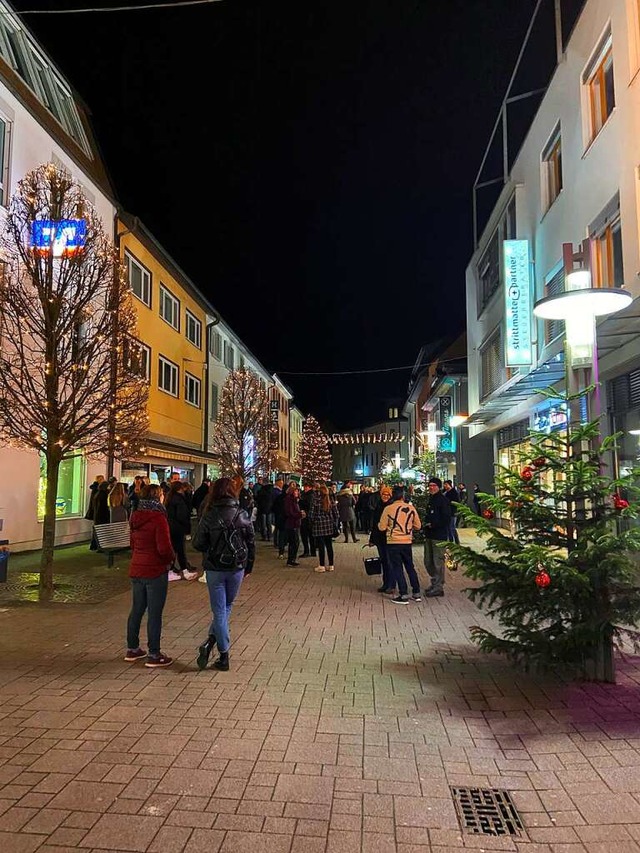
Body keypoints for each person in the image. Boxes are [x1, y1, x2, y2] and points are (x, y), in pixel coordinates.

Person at [192, 477, 255, 672]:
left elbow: (198, 543)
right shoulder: (241, 513)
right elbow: (250, 542)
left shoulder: (209, 515)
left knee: (220, 610)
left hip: (214, 568)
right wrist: (249, 566)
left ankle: (219, 650)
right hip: (236, 567)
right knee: (226, 607)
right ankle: (218, 648)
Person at [124, 483, 175, 668]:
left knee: (137, 609)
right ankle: (154, 653)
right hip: (154, 570)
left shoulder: (135, 516)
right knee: (155, 612)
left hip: (137, 568)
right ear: (157, 497)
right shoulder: (158, 518)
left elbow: (133, 544)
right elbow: (164, 547)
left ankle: (132, 648)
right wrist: (171, 559)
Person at [377, 485, 422, 604]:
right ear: (403, 496)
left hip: (393, 542)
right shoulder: (411, 508)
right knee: (410, 567)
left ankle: (403, 594)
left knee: (397, 568)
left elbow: (381, 527)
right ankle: (416, 592)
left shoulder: (388, 509)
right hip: (407, 541)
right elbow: (418, 526)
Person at [423, 477, 452, 598]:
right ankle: (435, 582)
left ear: (438, 487)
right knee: (428, 561)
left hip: (439, 536)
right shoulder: (432, 499)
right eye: (429, 485)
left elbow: (446, 518)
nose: (431, 487)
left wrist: (433, 524)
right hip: (430, 535)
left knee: (437, 561)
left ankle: (438, 587)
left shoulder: (443, 500)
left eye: (433, 485)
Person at [164, 481, 198, 581]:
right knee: (180, 550)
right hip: (178, 527)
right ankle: (183, 571)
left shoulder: (170, 499)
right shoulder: (179, 500)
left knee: (175, 549)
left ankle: (175, 570)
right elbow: (182, 515)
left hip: (171, 526)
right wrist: (187, 527)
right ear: (180, 489)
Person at [368, 484, 394, 593]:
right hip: (379, 538)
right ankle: (385, 583)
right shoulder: (379, 505)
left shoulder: (391, 507)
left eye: (388, 494)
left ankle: (391, 585)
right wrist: (372, 539)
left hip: (389, 538)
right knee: (384, 561)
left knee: (389, 562)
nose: (385, 496)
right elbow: (375, 523)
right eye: (384, 494)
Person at [309, 483, 339, 573]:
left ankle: (322, 565)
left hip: (318, 526)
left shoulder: (316, 501)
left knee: (321, 546)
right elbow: (336, 514)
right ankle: (331, 565)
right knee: (329, 546)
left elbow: (311, 514)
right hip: (329, 526)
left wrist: (313, 522)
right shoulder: (331, 501)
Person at [283, 482, 303, 566]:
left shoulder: (295, 501)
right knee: (294, 542)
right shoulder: (289, 500)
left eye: (297, 491)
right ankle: (291, 560)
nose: (297, 493)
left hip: (295, 523)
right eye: (295, 491)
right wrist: (299, 514)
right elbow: (289, 512)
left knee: (295, 542)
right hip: (292, 523)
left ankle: (292, 559)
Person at [298, 483, 317, 558]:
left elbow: (308, 505)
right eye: (305, 486)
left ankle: (307, 551)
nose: (305, 488)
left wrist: (300, 501)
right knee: (311, 535)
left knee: (305, 535)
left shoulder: (309, 495)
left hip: (306, 517)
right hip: (309, 517)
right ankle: (312, 551)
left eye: (307, 487)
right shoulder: (311, 494)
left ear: (310, 487)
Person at [271, 479, 287, 557]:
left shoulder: (279, 493)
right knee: (278, 530)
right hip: (279, 515)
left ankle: (278, 543)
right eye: (281, 483)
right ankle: (277, 542)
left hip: (279, 514)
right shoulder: (277, 493)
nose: (281, 484)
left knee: (278, 529)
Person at [442, 480, 460, 545]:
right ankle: (450, 541)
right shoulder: (445, 492)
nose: (445, 486)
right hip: (446, 513)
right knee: (448, 527)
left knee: (452, 527)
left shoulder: (454, 493)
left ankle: (455, 542)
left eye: (446, 484)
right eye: (444, 484)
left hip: (452, 512)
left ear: (450, 485)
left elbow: (456, 502)